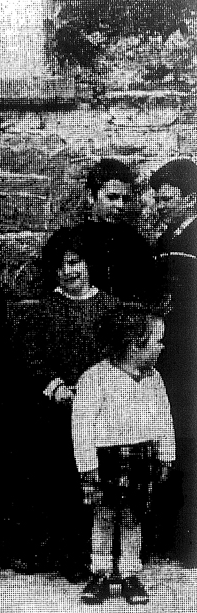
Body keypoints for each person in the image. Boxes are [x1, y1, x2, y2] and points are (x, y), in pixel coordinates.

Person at [9, 226, 118, 579]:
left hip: (101, 413)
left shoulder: (110, 307)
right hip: (58, 412)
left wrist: (102, 392)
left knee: (97, 481)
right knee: (59, 482)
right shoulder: (47, 309)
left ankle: (99, 553)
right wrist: (56, 387)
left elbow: (119, 356)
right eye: (61, 266)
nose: (69, 272)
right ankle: (63, 553)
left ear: (90, 265)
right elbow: (32, 355)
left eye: (75, 263)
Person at [72, 304, 176, 605]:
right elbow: (81, 426)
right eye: (157, 339)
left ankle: (130, 573)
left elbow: (164, 419)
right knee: (103, 518)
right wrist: (88, 467)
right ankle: (101, 573)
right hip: (106, 462)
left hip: (140, 459)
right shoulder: (94, 378)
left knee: (133, 519)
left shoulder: (153, 379)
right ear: (134, 344)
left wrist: (165, 455)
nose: (162, 346)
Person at [150, 158, 197, 567]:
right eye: (159, 199)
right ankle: (175, 537)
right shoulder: (171, 235)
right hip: (172, 351)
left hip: (190, 351)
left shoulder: (194, 235)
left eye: (169, 199)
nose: (161, 205)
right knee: (174, 441)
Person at [44, 159, 161, 305]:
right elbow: (51, 295)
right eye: (111, 197)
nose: (120, 205)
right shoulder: (65, 241)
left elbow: (149, 295)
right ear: (90, 196)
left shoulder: (136, 243)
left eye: (125, 199)